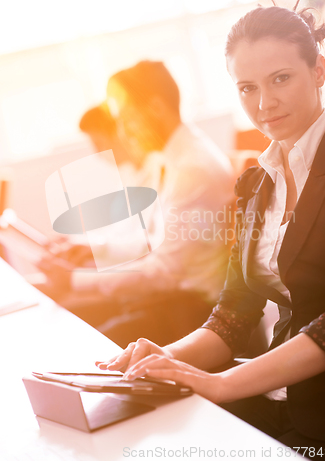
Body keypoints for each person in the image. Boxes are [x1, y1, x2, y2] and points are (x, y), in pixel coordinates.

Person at [96, 1, 325, 456]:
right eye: (247, 88)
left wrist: (223, 383)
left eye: (280, 79)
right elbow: (234, 313)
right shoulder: (257, 184)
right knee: (139, 435)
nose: (264, 104)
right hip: (274, 399)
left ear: (318, 70)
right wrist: (167, 357)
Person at [43, 62, 235, 346]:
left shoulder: (191, 169)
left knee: (69, 342)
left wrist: (75, 280)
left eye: (128, 117)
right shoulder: (175, 159)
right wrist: (95, 249)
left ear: (156, 108)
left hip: (190, 315)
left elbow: (164, 272)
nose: (123, 131)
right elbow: (152, 241)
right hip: (173, 303)